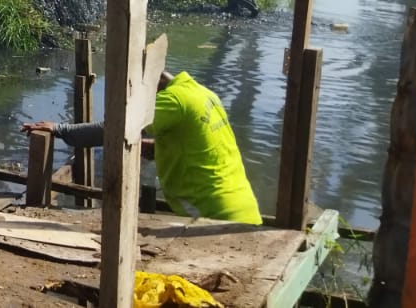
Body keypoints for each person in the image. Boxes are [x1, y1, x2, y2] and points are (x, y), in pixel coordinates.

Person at [22, 70, 262, 224]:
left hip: (214, 217)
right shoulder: (201, 94)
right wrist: (148, 147)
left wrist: (60, 129)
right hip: (243, 210)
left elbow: (112, 129)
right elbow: (196, 147)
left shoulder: (171, 101)